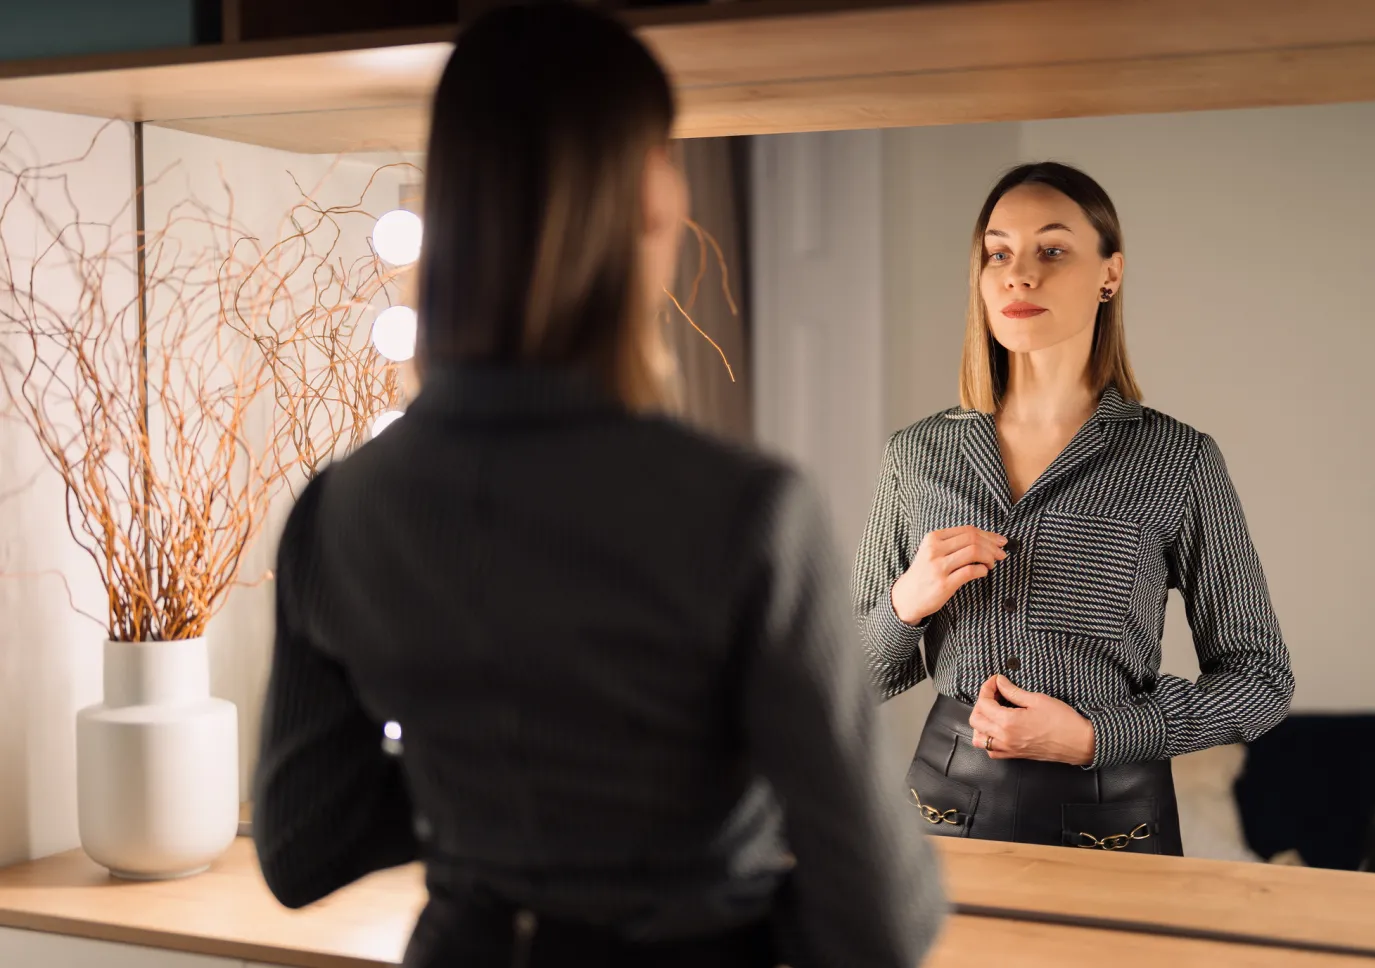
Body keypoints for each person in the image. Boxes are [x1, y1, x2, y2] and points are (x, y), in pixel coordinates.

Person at [252, 4, 944, 967]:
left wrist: (488, 776)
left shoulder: (337, 511)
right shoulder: (745, 514)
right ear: (650, 197)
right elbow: (882, 921)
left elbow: (301, 844)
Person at [854, 161, 1294, 855]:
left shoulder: (1178, 461)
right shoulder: (916, 456)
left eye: (1051, 250)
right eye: (999, 252)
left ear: (1109, 274)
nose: (1018, 275)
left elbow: (1260, 682)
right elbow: (847, 680)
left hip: (1115, 821)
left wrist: (1095, 736)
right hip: (938, 816)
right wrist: (907, 602)